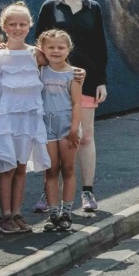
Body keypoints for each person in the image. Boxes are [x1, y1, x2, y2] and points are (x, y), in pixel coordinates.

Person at [35, 0, 109, 213]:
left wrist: (101, 80)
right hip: (53, 81)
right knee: (53, 138)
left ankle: (87, 193)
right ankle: (48, 193)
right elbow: (39, 45)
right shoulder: (49, 7)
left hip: (85, 81)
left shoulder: (94, 7)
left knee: (85, 137)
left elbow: (100, 46)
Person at [0, 3, 51, 234]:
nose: (17, 28)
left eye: (22, 24)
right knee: (7, 167)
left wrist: (79, 72)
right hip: (6, 121)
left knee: (22, 167)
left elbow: (60, 60)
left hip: (28, 119)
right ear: (3, 26)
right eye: (12, 24)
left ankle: (17, 213)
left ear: (29, 26)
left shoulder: (36, 54)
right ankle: (4, 216)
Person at [37, 30, 85, 233]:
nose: (56, 51)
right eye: (51, 47)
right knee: (50, 170)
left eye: (61, 47)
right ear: (42, 49)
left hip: (67, 126)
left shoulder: (73, 73)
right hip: (46, 126)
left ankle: (67, 212)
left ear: (68, 49)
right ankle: (53, 213)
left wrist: (74, 129)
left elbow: (76, 103)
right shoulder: (39, 70)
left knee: (68, 169)